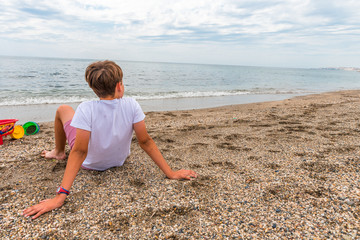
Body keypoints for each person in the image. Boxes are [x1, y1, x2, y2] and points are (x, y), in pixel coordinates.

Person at [23, 60, 197, 219]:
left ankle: (59, 152)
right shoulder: (132, 105)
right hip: (119, 161)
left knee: (63, 109)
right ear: (119, 85)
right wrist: (171, 173)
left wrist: (60, 196)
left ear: (93, 88)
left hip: (89, 164)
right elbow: (145, 141)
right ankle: (59, 152)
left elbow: (79, 151)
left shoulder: (86, 108)